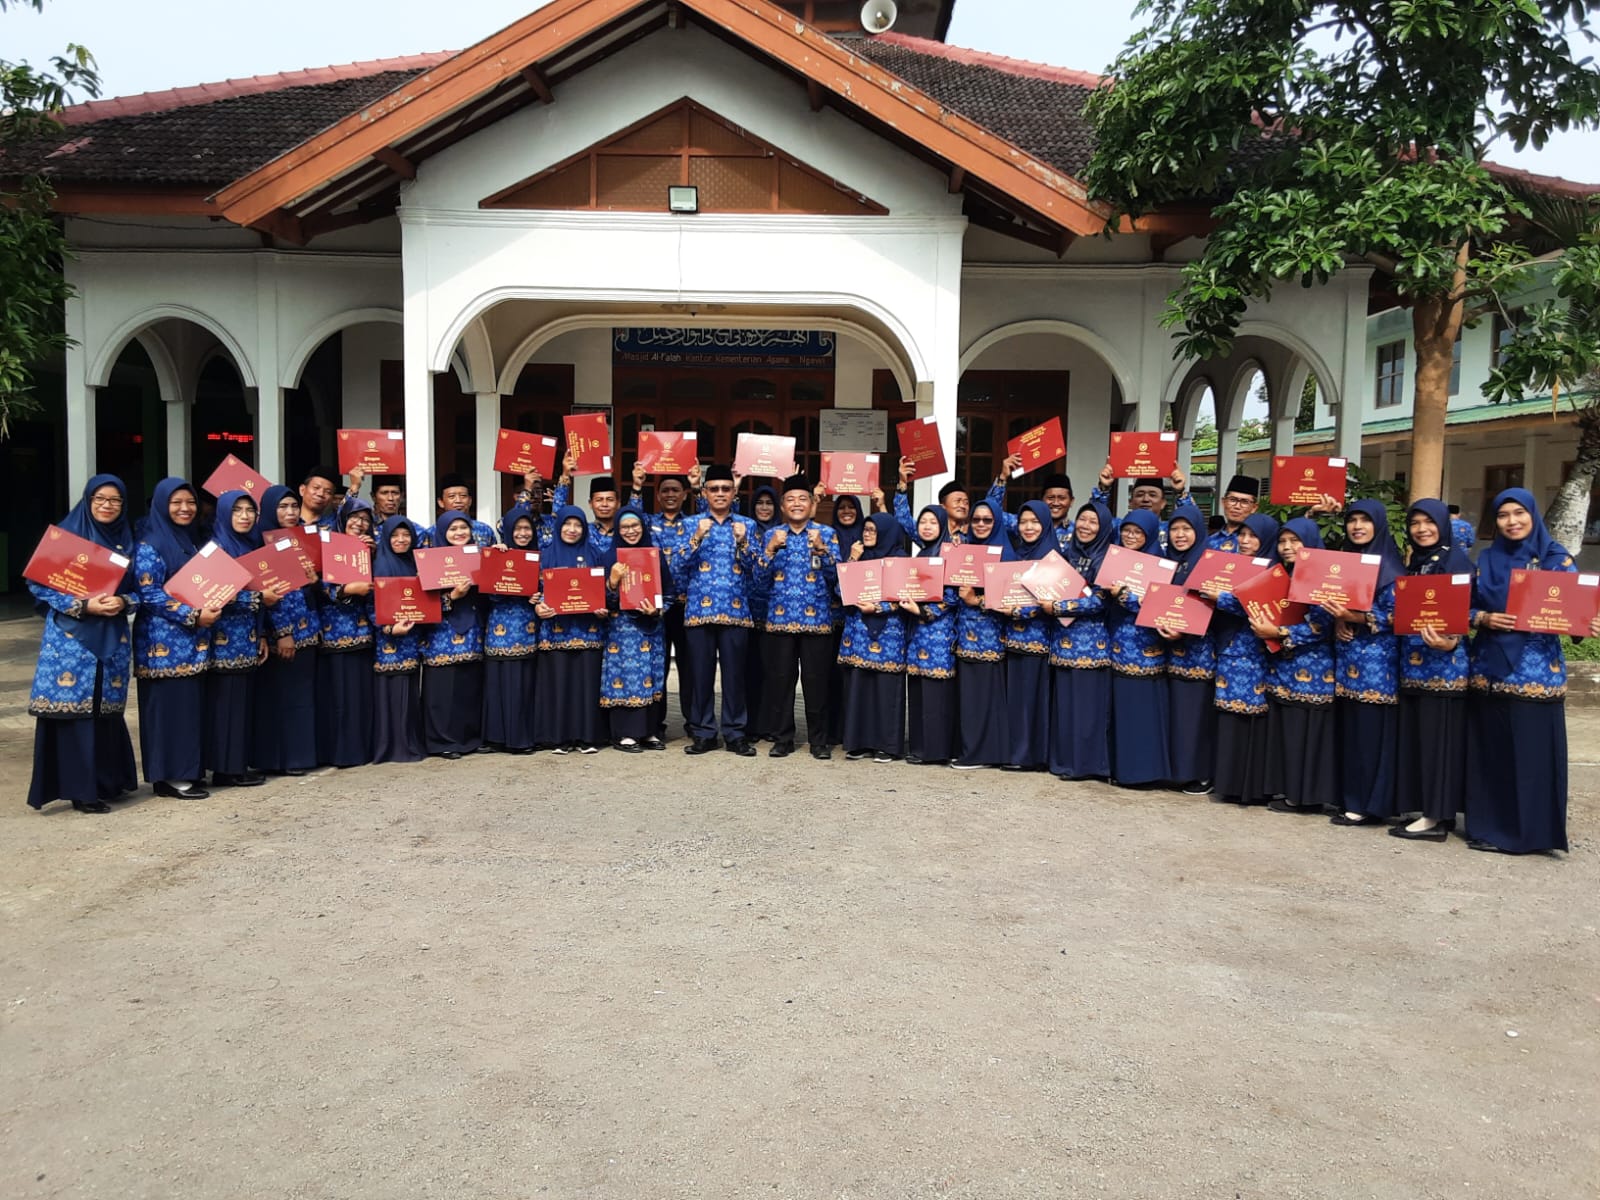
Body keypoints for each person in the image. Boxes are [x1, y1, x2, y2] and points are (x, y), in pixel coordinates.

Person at [1464, 488, 1578, 854]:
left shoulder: (1556, 559)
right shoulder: (1488, 559)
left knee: (1532, 755)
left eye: (1519, 513)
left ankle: (1531, 834)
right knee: (1491, 753)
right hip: (1488, 671)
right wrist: (1482, 617)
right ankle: (1489, 829)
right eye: (1502, 515)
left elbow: (1573, 613)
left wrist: (1583, 623)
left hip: (1535, 674)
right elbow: (1462, 608)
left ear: (1533, 515)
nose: (1511, 522)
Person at [26, 474, 140, 814]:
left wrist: (124, 602)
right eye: (100, 499)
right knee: (75, 715)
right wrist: (84, 605)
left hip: (113, 637)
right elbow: (38, 584)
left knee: (104, 713)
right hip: (71, 641)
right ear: (88, 501)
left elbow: (141, 590)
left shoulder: (127, 540)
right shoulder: (67, 537)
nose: (107, 506)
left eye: (115, 500)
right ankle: (81, 790)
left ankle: (106, 781)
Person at [132, 477, 221, 799]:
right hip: (162, 647)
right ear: (161, 506)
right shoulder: (150, 544)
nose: (185, 509)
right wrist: (192, 614)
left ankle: (186, 772)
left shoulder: (190, 541)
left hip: (194, 643)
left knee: (188, 710)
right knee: (167, 711)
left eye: (190, 503)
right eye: (176, 503)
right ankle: (170, 777)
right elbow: (149, 594)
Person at [1390, 499, 1473, 842]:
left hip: (1444, 669)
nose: (1422, 529)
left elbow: (1468, 609)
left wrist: (1452, 640)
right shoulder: (1417, 563)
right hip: (1415, 667)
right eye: (1415, 523)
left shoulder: (1455, 561)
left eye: (1429, 522)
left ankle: (1436, 818)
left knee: (1440, 743)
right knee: (1423, 741)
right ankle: (1429, 810)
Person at [1325, 500, 1405, 828]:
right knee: (1351, 734)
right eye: (1352, 520)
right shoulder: (1344, 562)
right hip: (1347, 664)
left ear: (1379, 525)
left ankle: (1371, 804)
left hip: (1377, 668)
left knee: (1372, 735)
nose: (1357, 526)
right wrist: (1337, 621)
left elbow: (1398, 616)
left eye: (1365, 521)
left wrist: (1354, 617)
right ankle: (1351, 797)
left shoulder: (1392, 568)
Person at [1257, 518, 1338, 814]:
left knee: (1308, 733)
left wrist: (1280, 633)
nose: (1288, 547)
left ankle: (1307, 795)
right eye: (1283, 542)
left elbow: (1322, 623)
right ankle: (1290, 790)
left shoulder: (1322, 577)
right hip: (1283, 665)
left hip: (1312, 669)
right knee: (1289, 731)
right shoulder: (1281, 575)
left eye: (1295, 541)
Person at [757, 474, 841, 760]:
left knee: (817, 683)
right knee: (780, 683)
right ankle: (783, 738)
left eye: (802, 498)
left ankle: (819, 740)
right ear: (782, 506)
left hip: (816, 622)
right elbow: (757, 581)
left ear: (812, 503)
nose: (796, 504)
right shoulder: (771, 535)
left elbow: (839, 581)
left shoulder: (826, 534)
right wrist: (769, 551)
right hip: (779, 622)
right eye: (790, 499)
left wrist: (824, 551)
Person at [680, 465, 759, 756]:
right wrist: (696, 539)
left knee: (735, 677)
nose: (720, 493)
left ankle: (735, 733)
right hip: (699, 612)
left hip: (736, 612)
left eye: (726, 488)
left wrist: (745, 543)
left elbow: (758, 571)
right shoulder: (691, 524)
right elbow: (676, 568)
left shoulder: (746, 526)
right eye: (714, 489)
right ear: (704, 493)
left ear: (734, 493)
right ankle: (703, 732)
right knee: (700, 677)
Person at [1202, 513, 1280, 805]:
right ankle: (1228, 783)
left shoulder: (1273, 571)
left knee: (1251, 719)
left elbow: (1256, 606)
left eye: (1253, 537)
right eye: (1242, 536)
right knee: (1228, 718)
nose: (1245, 542)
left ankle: (1251, 787)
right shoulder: (1230, 566)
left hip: (1255, 655)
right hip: (1228, 652)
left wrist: (1218, 596)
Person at [251, 484, 321, 777]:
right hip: (283, 632)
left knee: (302, 697)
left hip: (310, 630)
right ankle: (277, 759)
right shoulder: (259, 543)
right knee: (279, 697)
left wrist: (314, 578)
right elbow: (270, 595)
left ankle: (300, 756)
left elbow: (314, 586)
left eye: (294, 506)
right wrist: (282, 633)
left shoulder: (305, 537)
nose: (290, 512)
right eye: (283, 507)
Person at [203, 490, 271, 787]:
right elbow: (215, 594)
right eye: (237, 510)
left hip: (249, 636)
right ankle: (225, 768)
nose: (244, 516)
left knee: (243, 704)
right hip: (223, 640)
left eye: (249, 510)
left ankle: (237, 763)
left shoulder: (252, 546)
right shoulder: (215, 549)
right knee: (226, 705)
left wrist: (263, 634)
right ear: (223, 514)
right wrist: (257, 598)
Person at [1045, 500, 1114, 780]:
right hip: (1063, 642)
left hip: (1092, 648)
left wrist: (1060, 607)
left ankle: (1089, 765)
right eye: (1082, 520)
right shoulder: (1065, 554)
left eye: (1093, 522)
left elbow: (1099, 602)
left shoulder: (1108, 559)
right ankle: (1065, 762)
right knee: (1066, 708)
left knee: (1088, 710)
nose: (1085, 526)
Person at [1103, 509, 1172, 787]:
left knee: (1143, 712)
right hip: (1118, 646)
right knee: (1122, 711)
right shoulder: (1115, 560)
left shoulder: (1162, 564)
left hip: (1147, 648)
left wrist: (1123, 594)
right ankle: (1121, 769)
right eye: (1127, 531)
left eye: (1138, 532)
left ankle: (1145, 772)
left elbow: (1157, 606)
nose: (1131, 536)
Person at [533, 506, 608, 753]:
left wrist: (602, 606)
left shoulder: (595, 554)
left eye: (578, 525)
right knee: (559, 684)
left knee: (585, 685)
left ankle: (587, 738)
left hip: (587, 631)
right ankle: (559, 738)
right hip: (555, 631)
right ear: (559, 526)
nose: (572, 530)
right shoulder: (544, 555)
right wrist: (539, 607)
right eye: (567, 524)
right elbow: (532, 592)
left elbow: (604, 590)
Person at [1154, 501, 1215, 794]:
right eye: (1175, 528)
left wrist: (1184, 629)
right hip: (1169, 651)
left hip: (1198, 654)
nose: (1180, 535)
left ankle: (1198, 774)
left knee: (1195, 717)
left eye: (1186, 529)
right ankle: (1176, 771)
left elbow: (1214, 607)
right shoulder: (1167, 562)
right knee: (1175, 715)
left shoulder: (1208, 564)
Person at [838, 512, 908, 762]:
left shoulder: (899, 560)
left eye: (872, 530)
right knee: (861, 687)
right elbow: (840, 590)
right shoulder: (859, 556)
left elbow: (905, 596)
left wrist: (878, 607)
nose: (866, 534)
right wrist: (852, 560)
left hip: (888, 632)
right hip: (859, 631)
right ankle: (859, 741)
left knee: (885, 690)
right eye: (865, 529)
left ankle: (887, 745)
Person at [602, 507, 672, 751]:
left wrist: (657, 610)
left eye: (635, 526)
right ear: (618, 531)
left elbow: (670, 593)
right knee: (625, 679)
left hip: (651, 628)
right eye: (625, 527)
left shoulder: (656, 556)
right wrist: (612, 582)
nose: (630, 531)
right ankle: (625, 734)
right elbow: (600, 600)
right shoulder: (609, 557)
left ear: (643, 527)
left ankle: (649, 731)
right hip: (622, 631)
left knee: (651, 677)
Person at [950, 499, 1012, 769]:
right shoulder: (964, 550)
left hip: (990, 639)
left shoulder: (1007, 554)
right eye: (976, 520)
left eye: (988, 520)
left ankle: (983, 753)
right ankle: (969, 749)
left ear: (997, 522)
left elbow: (1011, 600)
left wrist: (977, 600)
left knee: (985, 699)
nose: (982, 524)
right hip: (964, 637)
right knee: (968, 699)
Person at [316, 499, 377, 768]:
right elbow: (321, 586)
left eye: (365, 519)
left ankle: (361, 750)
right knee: (338, 698)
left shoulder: (374, 549)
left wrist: (374, 556)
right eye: (354, 517)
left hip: (364, 632)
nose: (360, 523)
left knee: (361, 697)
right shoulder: (329, 547)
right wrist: (348, 589)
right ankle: (338, 753)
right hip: (335, 633)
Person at [419, 511, 486, 758]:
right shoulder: (430, 561)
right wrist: (452, 597)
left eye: (463, 528)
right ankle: (441, 742)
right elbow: (423, 602)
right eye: (453, 529)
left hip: (473, 632)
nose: (459, 533)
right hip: (441, 634)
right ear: (442, 533)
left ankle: (468, 739)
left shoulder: (479, 557)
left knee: (468, 688)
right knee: (442, 691)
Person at [996, 500, 1055, 771]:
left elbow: (1051, 601)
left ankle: (1031, 756)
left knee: (1033, 700)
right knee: (1017, 700)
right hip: (1013, 640)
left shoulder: (1052, 555)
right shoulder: (1019, 553)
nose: (1028, 527)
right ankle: (1017, 753)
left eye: (1034, 522)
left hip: (1038, 640)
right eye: (1023, 522)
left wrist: (1017, 611)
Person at [482, 505, 541, 754]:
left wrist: (539, 596)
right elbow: (489, 593)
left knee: (523, 685)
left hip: (526, 628)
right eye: (517, 528)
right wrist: (496, 559)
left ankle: (521, 738)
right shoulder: (497, 554)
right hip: (500, 629)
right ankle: (495, 738)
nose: (523, 533)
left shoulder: (539, 556)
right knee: (497, 684)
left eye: (527, 528)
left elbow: (548, 587)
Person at [902, 504, 958, 765]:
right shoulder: (922, 555)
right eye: (922, 521)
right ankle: (920, 747)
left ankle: (937, 750)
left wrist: (922, 610)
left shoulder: (949, 555)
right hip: (917, 634)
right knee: (918, 692)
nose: (926, 526)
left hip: (938, 634)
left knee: (936, 694)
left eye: (932, 522)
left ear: (943, 525)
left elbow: (951, 598)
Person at [371, 515, 428, 764]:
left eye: (406, 535)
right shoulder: (378, 565)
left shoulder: (415, 565)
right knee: (389, 691)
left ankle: (409, 744)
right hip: (388, 640)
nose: (401, 540)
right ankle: (389, 746)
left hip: (411, 636)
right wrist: (388, 629)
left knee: (409, 688)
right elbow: (369, 606)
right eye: (395, 535)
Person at [645, 472, 697, 742]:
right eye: (664, 490)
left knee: (691, 668)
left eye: (675, 490)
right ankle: (656, 724)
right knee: (657, 666)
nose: (670, 494)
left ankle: (694, 722)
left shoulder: (693, 524)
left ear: (685, 494)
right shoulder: (648, 523)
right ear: (658, 495)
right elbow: (628, 515)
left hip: (688, 606)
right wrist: (636, 483)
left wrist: (699, 484)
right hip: (656, 607)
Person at [745, 484, 782, 742]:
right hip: (747, 611)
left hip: (775, 612)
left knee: (773, 672)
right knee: (749, 672)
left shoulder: (783, 534)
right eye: (760, 503)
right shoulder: (746, 531)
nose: (765, 508)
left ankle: (770, 726)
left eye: (769, 503)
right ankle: (750, 726)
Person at [552, 454, 620, 556]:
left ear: (618, 504)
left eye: (610, 499)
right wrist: (565, 475)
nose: (604, 504)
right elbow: (559, 516)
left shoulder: (625, 532)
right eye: (599, 500)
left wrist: (637, 487)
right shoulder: (583, 531)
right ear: (590, 504)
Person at [422, 474, 496, 548]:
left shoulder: (484, 529)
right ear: (441, 502)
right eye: (452, 496)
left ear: (470, 500)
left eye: (463, 496)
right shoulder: (431, 533)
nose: (458, 500)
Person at [1206, 475, 1261, 552]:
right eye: (1232, 500)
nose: (1237, 506)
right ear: (1223, 502)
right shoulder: (1208, 541)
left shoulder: (1257, 542)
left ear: (1254, 507)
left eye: (1244, 502)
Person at [298, 464, 344, 532]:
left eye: (328, 492)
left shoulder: (335, 524)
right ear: (302, 490)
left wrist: (355, 486)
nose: (321, 494)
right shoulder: (288, 521)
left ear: (331, 499)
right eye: (316, 488)